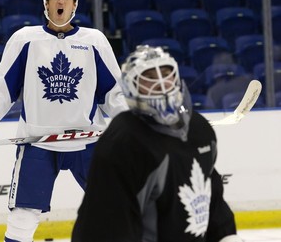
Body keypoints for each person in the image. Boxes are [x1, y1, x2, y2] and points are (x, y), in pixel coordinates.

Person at [0, 0, 128, 242]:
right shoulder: (25, 39)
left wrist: (131, 125)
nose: (60, 1)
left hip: (89, 140)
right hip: (38, 142)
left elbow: (112, 94)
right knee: (22, 213)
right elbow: (3, 89)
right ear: (45, 4)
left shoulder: (95, 41)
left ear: (75, 4)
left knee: (116, 209)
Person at [72, 45, 243, 242]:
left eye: (165, 74)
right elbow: (103, 220)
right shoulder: (124, 141)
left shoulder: (199, 129)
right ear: (131, 87)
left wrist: (225, 234)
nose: (160, 85)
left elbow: (210, 194)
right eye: (149, 78)